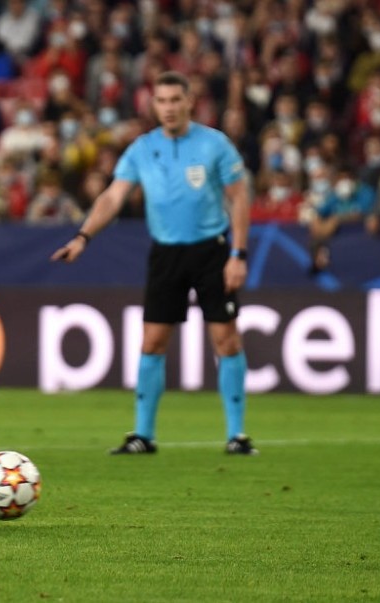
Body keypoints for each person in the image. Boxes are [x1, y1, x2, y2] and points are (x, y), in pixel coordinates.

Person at [51, 71, 257, 456]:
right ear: (154, 105)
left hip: (212, 251)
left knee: (226, 339)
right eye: (162, 101)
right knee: (152, 341)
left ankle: (238, 435)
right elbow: (113, 197)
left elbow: (239, 198)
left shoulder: (215, 144)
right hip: (166, 253)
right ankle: (143, 435)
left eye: (175, 100)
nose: (169, 108)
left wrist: (238, 254)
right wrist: (83, 236)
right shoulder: (142, 149)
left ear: (189, 101)